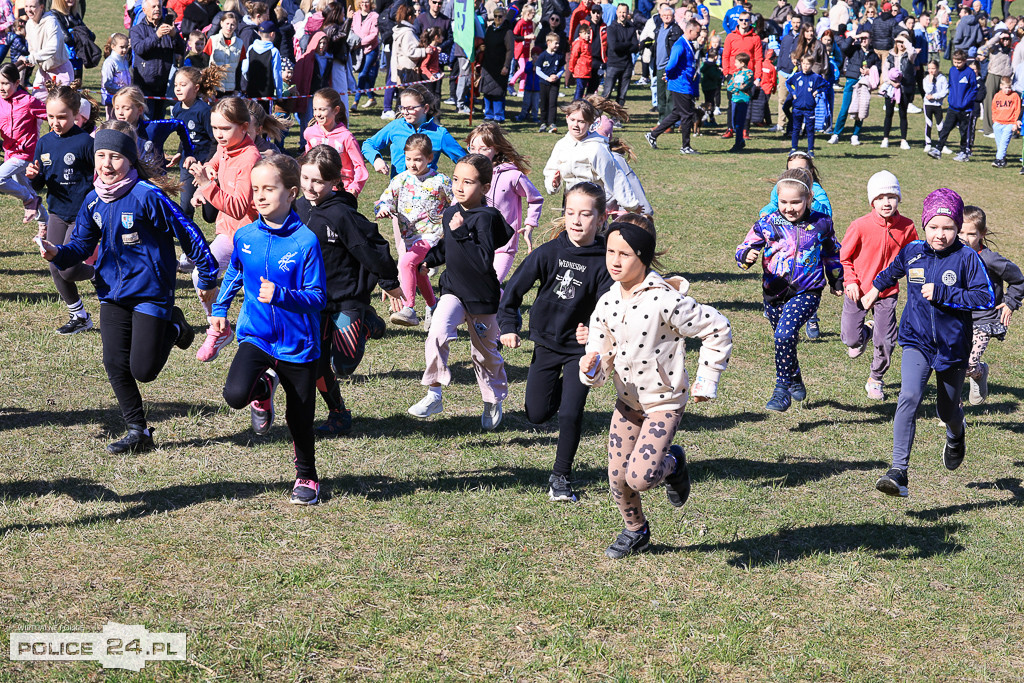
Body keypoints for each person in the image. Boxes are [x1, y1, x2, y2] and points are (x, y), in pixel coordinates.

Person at [37, 121, 217, 455]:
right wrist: (56, 252)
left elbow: (187, 231)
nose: (106, 163)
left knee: (143, 371)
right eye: (101, 155)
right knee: (114, 362)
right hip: (112, 291)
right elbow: (79, 246)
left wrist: (206, 274)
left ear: (130, 160)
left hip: (150, 291)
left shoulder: (147, 196)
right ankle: (138, 431)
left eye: (116, 157)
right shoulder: (93, 200)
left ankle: (175, 324)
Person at [581, 220, 731, 559]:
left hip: (664, 401)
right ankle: (636, 532)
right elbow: (599, 353)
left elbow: (717, 327)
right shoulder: (606, 303)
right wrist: (592, 369)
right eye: (610, 252)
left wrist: (707, 379)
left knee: (641, 476)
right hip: (627, 403)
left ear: (643, 258)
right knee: (617, 477)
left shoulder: (666, 301)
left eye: (624, 254)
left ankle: (674, 463)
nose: (614, 261)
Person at [865, 189, 994, 498]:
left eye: (948, 227)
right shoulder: (913, 252)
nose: (941, 234)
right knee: (908, 396)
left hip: (952, 346)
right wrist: (873, 291)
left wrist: (945, 294)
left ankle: (956, 433)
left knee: (946, 408)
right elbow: (893, 271)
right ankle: (898, 472)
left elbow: (984, 296)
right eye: (934, 227)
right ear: (924, 226)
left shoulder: (967, 259)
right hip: (916, 339)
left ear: (958, 227)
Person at [213, 154, 326, 506]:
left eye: (269, 189)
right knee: (234, 395)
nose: (259, 196)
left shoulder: (305, 242)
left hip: (297, 344)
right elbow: (234, 271)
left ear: (292, 193)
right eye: (255, 189)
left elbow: (318, 297)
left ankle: (307, 476)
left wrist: (282, 295)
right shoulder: (245, 234)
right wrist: (219, 308)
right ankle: (262, 386)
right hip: (256, 335)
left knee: (300, 416)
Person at [498, 182, 613, 503]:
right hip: (546, 344)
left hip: (582, 351)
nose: (576, 220)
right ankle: (564, 387)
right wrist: (509, 326)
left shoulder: (605, 261)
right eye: (571, 213)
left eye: (586, 214)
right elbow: (512, 292)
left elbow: (609, 308)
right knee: (536, 414)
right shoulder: (547, 253)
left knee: (569, 413)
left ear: (601, 218)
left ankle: (561, 476)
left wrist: (595, 332)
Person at [296, 145, 402, 435]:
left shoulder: (342, 214)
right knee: (316, 365)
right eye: (305, 178)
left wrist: (389, 282)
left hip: (346, 298)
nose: (310, 187)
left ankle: (366, 323)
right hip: (312, 298)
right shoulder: (298, 206)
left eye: (318, 181)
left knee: (342, 366)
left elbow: (372, 247)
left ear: (334, 182)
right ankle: (338, 413)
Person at [408, 154, 514, 429]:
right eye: (456, 179)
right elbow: (449, 248)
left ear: (485, 187)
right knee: (438, 332)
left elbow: (481, 260)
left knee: (485, 354)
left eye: (468, 182)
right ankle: (434, 392)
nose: (459, 186)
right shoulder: (450, 213)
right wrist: (430, 259)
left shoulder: (486, 218)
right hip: (453, 290)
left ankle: (493, 398)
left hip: (481, 298)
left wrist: (461, 232)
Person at [736, 167, 842, 412]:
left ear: (808, 200)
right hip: (774, 291)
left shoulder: (821, 224)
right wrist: (746, 256)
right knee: (784, 339)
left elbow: (832, 252)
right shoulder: (768, 222)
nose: (789, 207)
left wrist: (836, 279)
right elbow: (743, 247)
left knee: (784, 334)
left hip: (807, 290)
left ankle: (781, 389)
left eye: (796, 202)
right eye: (784, 202)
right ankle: (794, 375)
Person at [188, 97, 263, 362]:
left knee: (256, 296)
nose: (219, 134)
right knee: (201, 275)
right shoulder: (226, 147)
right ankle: (218, 327)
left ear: (244, 127)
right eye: (215, 128)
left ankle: (258, 348)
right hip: (228, 234)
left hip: (253, 239)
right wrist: (202, 186)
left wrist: (207, 187)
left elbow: (240, 207)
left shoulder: (250, 157)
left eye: (225, 128)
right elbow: (214, 164)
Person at [839, 171, 918, 400]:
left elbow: (913, 259)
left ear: (899, 199)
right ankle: (865, 332)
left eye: (891, 196)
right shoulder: (859, 226)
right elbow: (843, 258)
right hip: (859, 291)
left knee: (886, 340)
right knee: (851, 340)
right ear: (872, 200)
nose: (886, 202)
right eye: (880, 197)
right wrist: (850, 281)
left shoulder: (907, 227)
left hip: (887, 292)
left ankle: (876, 378)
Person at [26, 85, 96, 335]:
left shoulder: (86, 143)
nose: (56, 122)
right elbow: (39, 183)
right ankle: (79, 316)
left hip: (82, 215)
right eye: (51, 116)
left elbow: (100, 178)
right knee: (53, 264)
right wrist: (33, 176)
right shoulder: (44, 143)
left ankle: (98, 273)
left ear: (76, 114)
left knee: (68, 269)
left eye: (62, 116)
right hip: (56, 213)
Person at [374, 133, 452, 327]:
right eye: (409, 159)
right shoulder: (400, 180)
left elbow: (457, 201)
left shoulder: (441, 181)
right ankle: (434, 307)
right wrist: (384, 209)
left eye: (418, 159)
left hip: (431, 236)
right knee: (418, 271)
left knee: (406, 262)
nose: (412, 164)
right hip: (409, 236)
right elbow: (384, 201)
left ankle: (408, 308)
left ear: (429, 158)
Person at [958, 205, 1023, 405]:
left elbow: (1019, 280)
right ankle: (953, 408)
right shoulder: (951, 255)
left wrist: (1010, 303)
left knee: (969, 364)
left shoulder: (990, 259)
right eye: (960, 231)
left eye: (971, 233)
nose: (964, 238)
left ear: (982, 234)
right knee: (953, 364)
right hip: (958, 319)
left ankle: (979, 373)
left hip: (983, 320)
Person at [467, 121, 543, 279]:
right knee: (476, 288)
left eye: (484, 149)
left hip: (504, 246)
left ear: (496, 149)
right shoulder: (469, 174)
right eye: (472, 148)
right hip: (476, 244)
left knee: (491, 286)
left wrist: (530, 224)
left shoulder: (513, 176)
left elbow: (535, 199)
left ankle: (506, 303)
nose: (477, 153)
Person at [361, 84, 466, 178]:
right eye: (402, 108)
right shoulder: (395, 126)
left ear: (425, 108)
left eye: (410, 108)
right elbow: (368, 144)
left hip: (427, 193)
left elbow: (465, 161)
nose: (405, 112)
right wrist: (376, 159)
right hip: (398, 193)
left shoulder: (439, 133)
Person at [542, 99, 619, 208]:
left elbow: (615, 178)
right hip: (570, 202)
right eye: (572, 119)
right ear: (567, 118)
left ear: (590, 123)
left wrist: (630, 205)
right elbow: (551, 170)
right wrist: (553, 184)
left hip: (592, 202)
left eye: (581, 121)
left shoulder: (596, 147)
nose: (576, 125)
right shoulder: (562, 145)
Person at [0, 63, 47, 227]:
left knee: (0, 179)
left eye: (6, 83)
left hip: (26, 154)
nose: (2, 87)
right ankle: (45, 224)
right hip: (10, 154)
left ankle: (28, 199)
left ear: (17, 83)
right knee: (30, 191)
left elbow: (51, 114)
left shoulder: (28, 101)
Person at [645, 19, 701, 155]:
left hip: (684, 84)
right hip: (681, 86)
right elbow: (670, 65)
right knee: (687, 115)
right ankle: (685, 146)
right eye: (697, 33)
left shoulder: (688, 44)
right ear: (690, 31)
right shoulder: (680, 45)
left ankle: (653, 135)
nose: (698, 36)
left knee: (677, 113)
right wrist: (669, 76)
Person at [171, 67, 218, 221]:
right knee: (185, 207)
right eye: (176, 85)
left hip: (205, 165)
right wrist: (180, 152)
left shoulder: (204, 111)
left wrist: (208, 164)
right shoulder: (177, 109)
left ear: (196, 88)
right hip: (187, 165)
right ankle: (189, 236)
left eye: (183, 85)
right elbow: (184, 135)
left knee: (209, 215)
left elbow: (214, 140)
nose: (178, 88)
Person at [111, 85, 194, 174]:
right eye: (117, 108)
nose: (120, 112)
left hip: (156, 180)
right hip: (129, 180)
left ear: (140, 110)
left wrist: (188, 153)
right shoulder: (113, 132)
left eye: (126, 108)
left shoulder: (153, 128)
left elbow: (180, 124)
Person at [302, 87, 368, 197]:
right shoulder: (309, 133)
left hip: (341, 191)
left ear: (336, 110)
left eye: (322, 109)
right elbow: (308, 161)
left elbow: (360, 166)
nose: (317, 114)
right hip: (316, 190)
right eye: (315, 109)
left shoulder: (346, 137)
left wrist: (355, 187)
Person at [130, 0, 186, 119]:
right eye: (154, 6)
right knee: (146, 120)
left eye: (159, 6)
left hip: (164, 84)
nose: (157, 9)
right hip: (145, 84)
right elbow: (139, 49)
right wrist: (157, 36)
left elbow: (182, 50)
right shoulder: (137, 30)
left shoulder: (169, 28)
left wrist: (174, 36)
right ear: (144, 10)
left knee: (159, 120)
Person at [829, 32, 881, 144]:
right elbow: (843, 47)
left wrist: (869, 71)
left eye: (866, 38)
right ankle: (836, 134)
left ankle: (855, 135)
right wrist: (854, 37)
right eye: (861, 38)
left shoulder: (873, 55)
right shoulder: (854, 49)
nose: (863, 40)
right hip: (852, 81)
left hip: (864, 83)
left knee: (861, 110)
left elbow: (879, 68)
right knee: (844, 109)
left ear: (871, 40)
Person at [929, 49, 978, 160]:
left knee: (964, 131)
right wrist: (951, 99)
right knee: (945, 128)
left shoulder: (970, 73)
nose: (956, 64)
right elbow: (951, 85)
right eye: (955, 62)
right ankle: (938, 149)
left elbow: (974, 90)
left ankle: (964, 152)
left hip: (965, 109)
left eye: (959, 62)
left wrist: (966, 102)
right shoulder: (952, 70)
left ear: (965, 61)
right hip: (953, 107)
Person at [722, 10, 762, 140]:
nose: (744, 22)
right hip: (733, 74)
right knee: (731, 102)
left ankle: (745, 130)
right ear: (738, 21)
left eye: (746, 20)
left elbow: (758, 59)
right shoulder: (730, 37)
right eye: (741, 20)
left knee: (746, 103)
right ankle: (730, 129)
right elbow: (726, 56)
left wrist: (757, 77)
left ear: (751, 22)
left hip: (748, 76)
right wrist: (727, 72)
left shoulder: (755, 38)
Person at [19, 0, 74, 90]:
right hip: (43, 71)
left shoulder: (51, 22)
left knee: (60, 102)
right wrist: (30, 60)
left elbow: (52, 48)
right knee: (36, 101)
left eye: (32, 6)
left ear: (41, 7)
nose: (28, 10)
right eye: (26, 6)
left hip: (60, 71)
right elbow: (32, 49)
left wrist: (30, 58)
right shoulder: (29, 24)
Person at [787, 54, 830, 155]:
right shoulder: (797, 76)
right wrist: (793, 93)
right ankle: (794, 148)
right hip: (797, 107)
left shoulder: (815, 77)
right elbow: (788, 83)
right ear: (801, 64)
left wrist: (818, 91)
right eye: (803, 64)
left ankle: (810, 150)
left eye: (808, 64)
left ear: (812, 65)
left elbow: (826, 85)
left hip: (809, 108)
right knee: (796, 128)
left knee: (810, 130)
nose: (805, 66)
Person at [880, 34, 917, 149]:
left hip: (904, 88)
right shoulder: (890, 55)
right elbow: (885, 71)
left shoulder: (909, 55)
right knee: (888, 114)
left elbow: (914, 52)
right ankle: (885, 138)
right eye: (898, 42)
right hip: (891, 87)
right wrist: (891, 82)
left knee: (903, 114)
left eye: (903, 42)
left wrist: (906, 40)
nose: (900, 44)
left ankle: (903, 140)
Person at [604, 3, 639, 106]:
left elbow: (635, 47)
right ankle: (598, 117)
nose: (622, 14)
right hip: (613, 65)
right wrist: (629, 44)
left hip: (627, 66)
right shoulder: (611, 28)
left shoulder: (631, 28)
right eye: (620, 12)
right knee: (606, 93)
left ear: (628, 13)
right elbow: (614, 47)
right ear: (616, 12)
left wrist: (624, 45)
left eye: (624, 12)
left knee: (622, 95)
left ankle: (616, 118)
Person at [351, 0, 379, 110]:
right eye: (362, 2)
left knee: (362, 74)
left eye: (367, 2)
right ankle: (371, 97)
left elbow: (374, 34)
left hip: (370, 49)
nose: (364, 4)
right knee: (364, 75)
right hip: (358, 50)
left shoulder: (374, 16)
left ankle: (355, 102)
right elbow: (352, 29)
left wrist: (360, 42)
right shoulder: (355, 15)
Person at [536, 32, 565, 133]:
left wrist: (558, 76)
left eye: (558, 43)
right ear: (549, 43)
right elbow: (538, 70)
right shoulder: (543, 56)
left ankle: (552, 123)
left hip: (555, 84)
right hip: (544, 83)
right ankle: (543, 123)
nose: (557, 45)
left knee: (552, 103)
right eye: (555, 43)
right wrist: (547, 78)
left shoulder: (559, 55)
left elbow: (562, 68)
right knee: (544, 103)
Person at [725, 51, 755, 151]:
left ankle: (738, 143)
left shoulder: (749, 73)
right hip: (734, 99)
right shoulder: (736, 73)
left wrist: (736, 86)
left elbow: (744, 85)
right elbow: (729, 86)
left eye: (736, 62)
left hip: (743, 100)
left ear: (742, 63)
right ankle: (741, 141)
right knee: (733, 122)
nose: (735, 64)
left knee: (739, 122)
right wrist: (737, 87)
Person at [990, 74, 1021, 166]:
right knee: (999, 143)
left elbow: (1017, 110)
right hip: (998, 123)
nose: (1007, 90)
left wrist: (1015, 123)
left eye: (1009, 87)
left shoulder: (1014, 96)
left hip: (1009, 124)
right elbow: (994, 108)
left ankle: (998, 160)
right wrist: (994, 120)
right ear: (1001, 86)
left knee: (1004, 142)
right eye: (1005, 87)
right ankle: (1003, 160)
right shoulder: (997, 96)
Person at [209, 11, 244, 93]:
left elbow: (239, 68)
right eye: (227, 23)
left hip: (231, 87)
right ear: (221, 23)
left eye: (232, 24)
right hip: (215, 87)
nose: (229, 27)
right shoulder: (212, 40)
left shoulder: (240, 43)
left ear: (235, 26)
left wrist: (237, 89)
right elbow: (206, 63)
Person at [101, 34, 132, 118]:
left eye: (126, 47)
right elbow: (107, 84)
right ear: (113, 47)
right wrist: (123, 90)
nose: (125, 50)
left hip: (123, 98)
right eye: (121, 47)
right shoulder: (110, 62)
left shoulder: (124, 61)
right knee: (112, 123)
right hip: (112, 99)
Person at [922, 59, 949, 152]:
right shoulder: (926, 79)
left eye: (933, 68)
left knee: (940, 125)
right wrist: (930, 81)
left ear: (937, 68)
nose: (931, 71)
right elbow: (927, 91)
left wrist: (934, 96)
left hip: (937, 105)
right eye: (929, 68)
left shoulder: (942, 78)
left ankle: (942, 145)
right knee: (929, 123)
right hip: (928, 105)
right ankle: (928, 143)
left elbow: (944, 92)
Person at [568, 23, 594, 100]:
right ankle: (575, 105)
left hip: (586, 71)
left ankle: (578, 105)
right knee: (579, 90)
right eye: (585, 33)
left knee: (582, 91)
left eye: (588, 33)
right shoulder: (579, 43)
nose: (587, 35)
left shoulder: (588, 44)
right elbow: (573, 57)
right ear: (580, 34)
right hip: (580, 71)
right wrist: (571, 69)